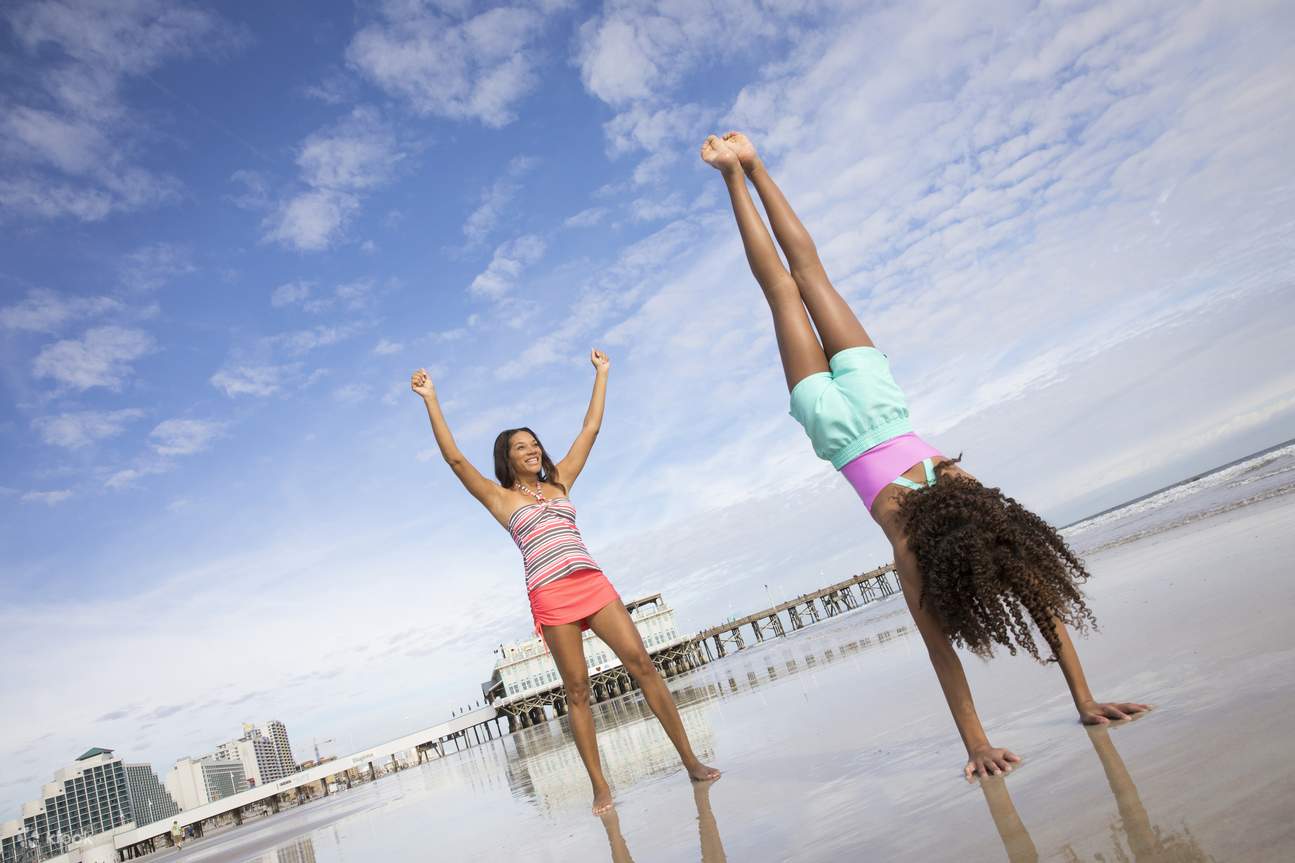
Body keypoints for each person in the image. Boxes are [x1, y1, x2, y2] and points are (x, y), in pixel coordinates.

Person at [700, 132, 1149, 779]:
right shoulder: (912, 537)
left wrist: (1051, 713)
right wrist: (1067, 706)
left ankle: (746, 166)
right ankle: (736, 173)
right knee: (789, 287)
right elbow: (979, 633)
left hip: (878, 405)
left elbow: (1016, 617)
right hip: (839, 424)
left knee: (802, 281)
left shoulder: (964, 492)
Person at [411, 352, 719, 814]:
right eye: (521, 447)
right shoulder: (499, 498)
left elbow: (590, 430)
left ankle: (690, 760)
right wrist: (431, 400)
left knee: (642, 664)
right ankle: (600, 787)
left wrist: (602, 374)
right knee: (576, 689)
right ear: (507, 458)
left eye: (534, 444)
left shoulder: (561, 483)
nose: (532, 450)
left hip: (592, 582)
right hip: (551, 594)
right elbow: (455, 459)